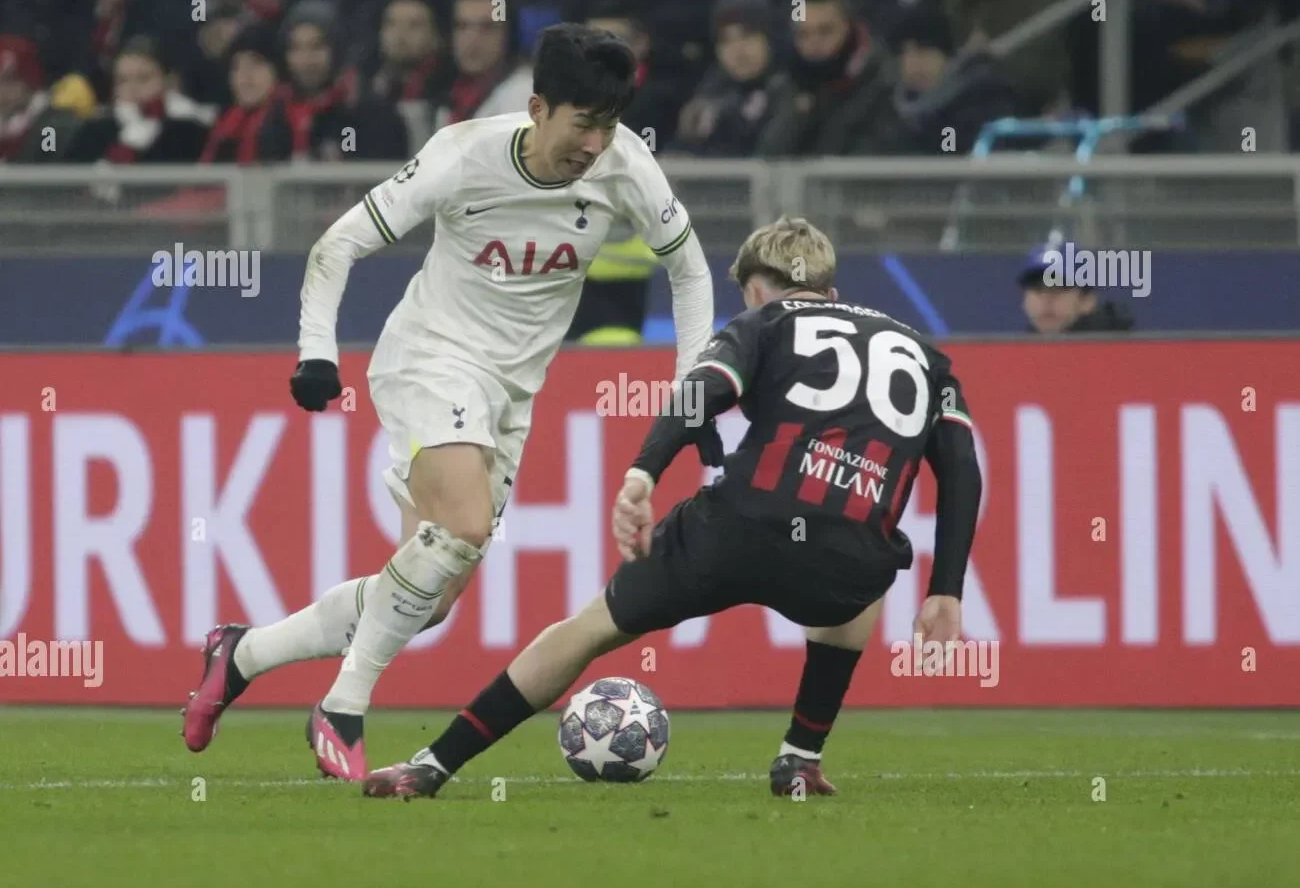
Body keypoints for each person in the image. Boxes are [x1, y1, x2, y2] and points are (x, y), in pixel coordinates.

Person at [180, 23, 720, 779]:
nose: (595, 144)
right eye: (582, 124)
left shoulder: (627, 165)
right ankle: (344, 702)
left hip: (510, 396)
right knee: (462, 525)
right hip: (429, 359)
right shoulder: (462, 155)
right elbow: (336, 245)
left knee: (429, 597)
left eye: (608, 124)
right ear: (537, 107)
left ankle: (242, 652)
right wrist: (316, 353)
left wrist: (691, 388)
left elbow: (690, 272)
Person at [360, 216, 983, 801]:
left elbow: (702, 393)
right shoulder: (926, 354)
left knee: (588, 631)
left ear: (757, 287)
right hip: (848, 555)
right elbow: (960, 467)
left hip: (738, 529)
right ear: (831, 288)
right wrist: (947, 589)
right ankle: (800, 755)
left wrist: (643, 472)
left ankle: (433, 765)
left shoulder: (765, 321)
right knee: (866, 569)